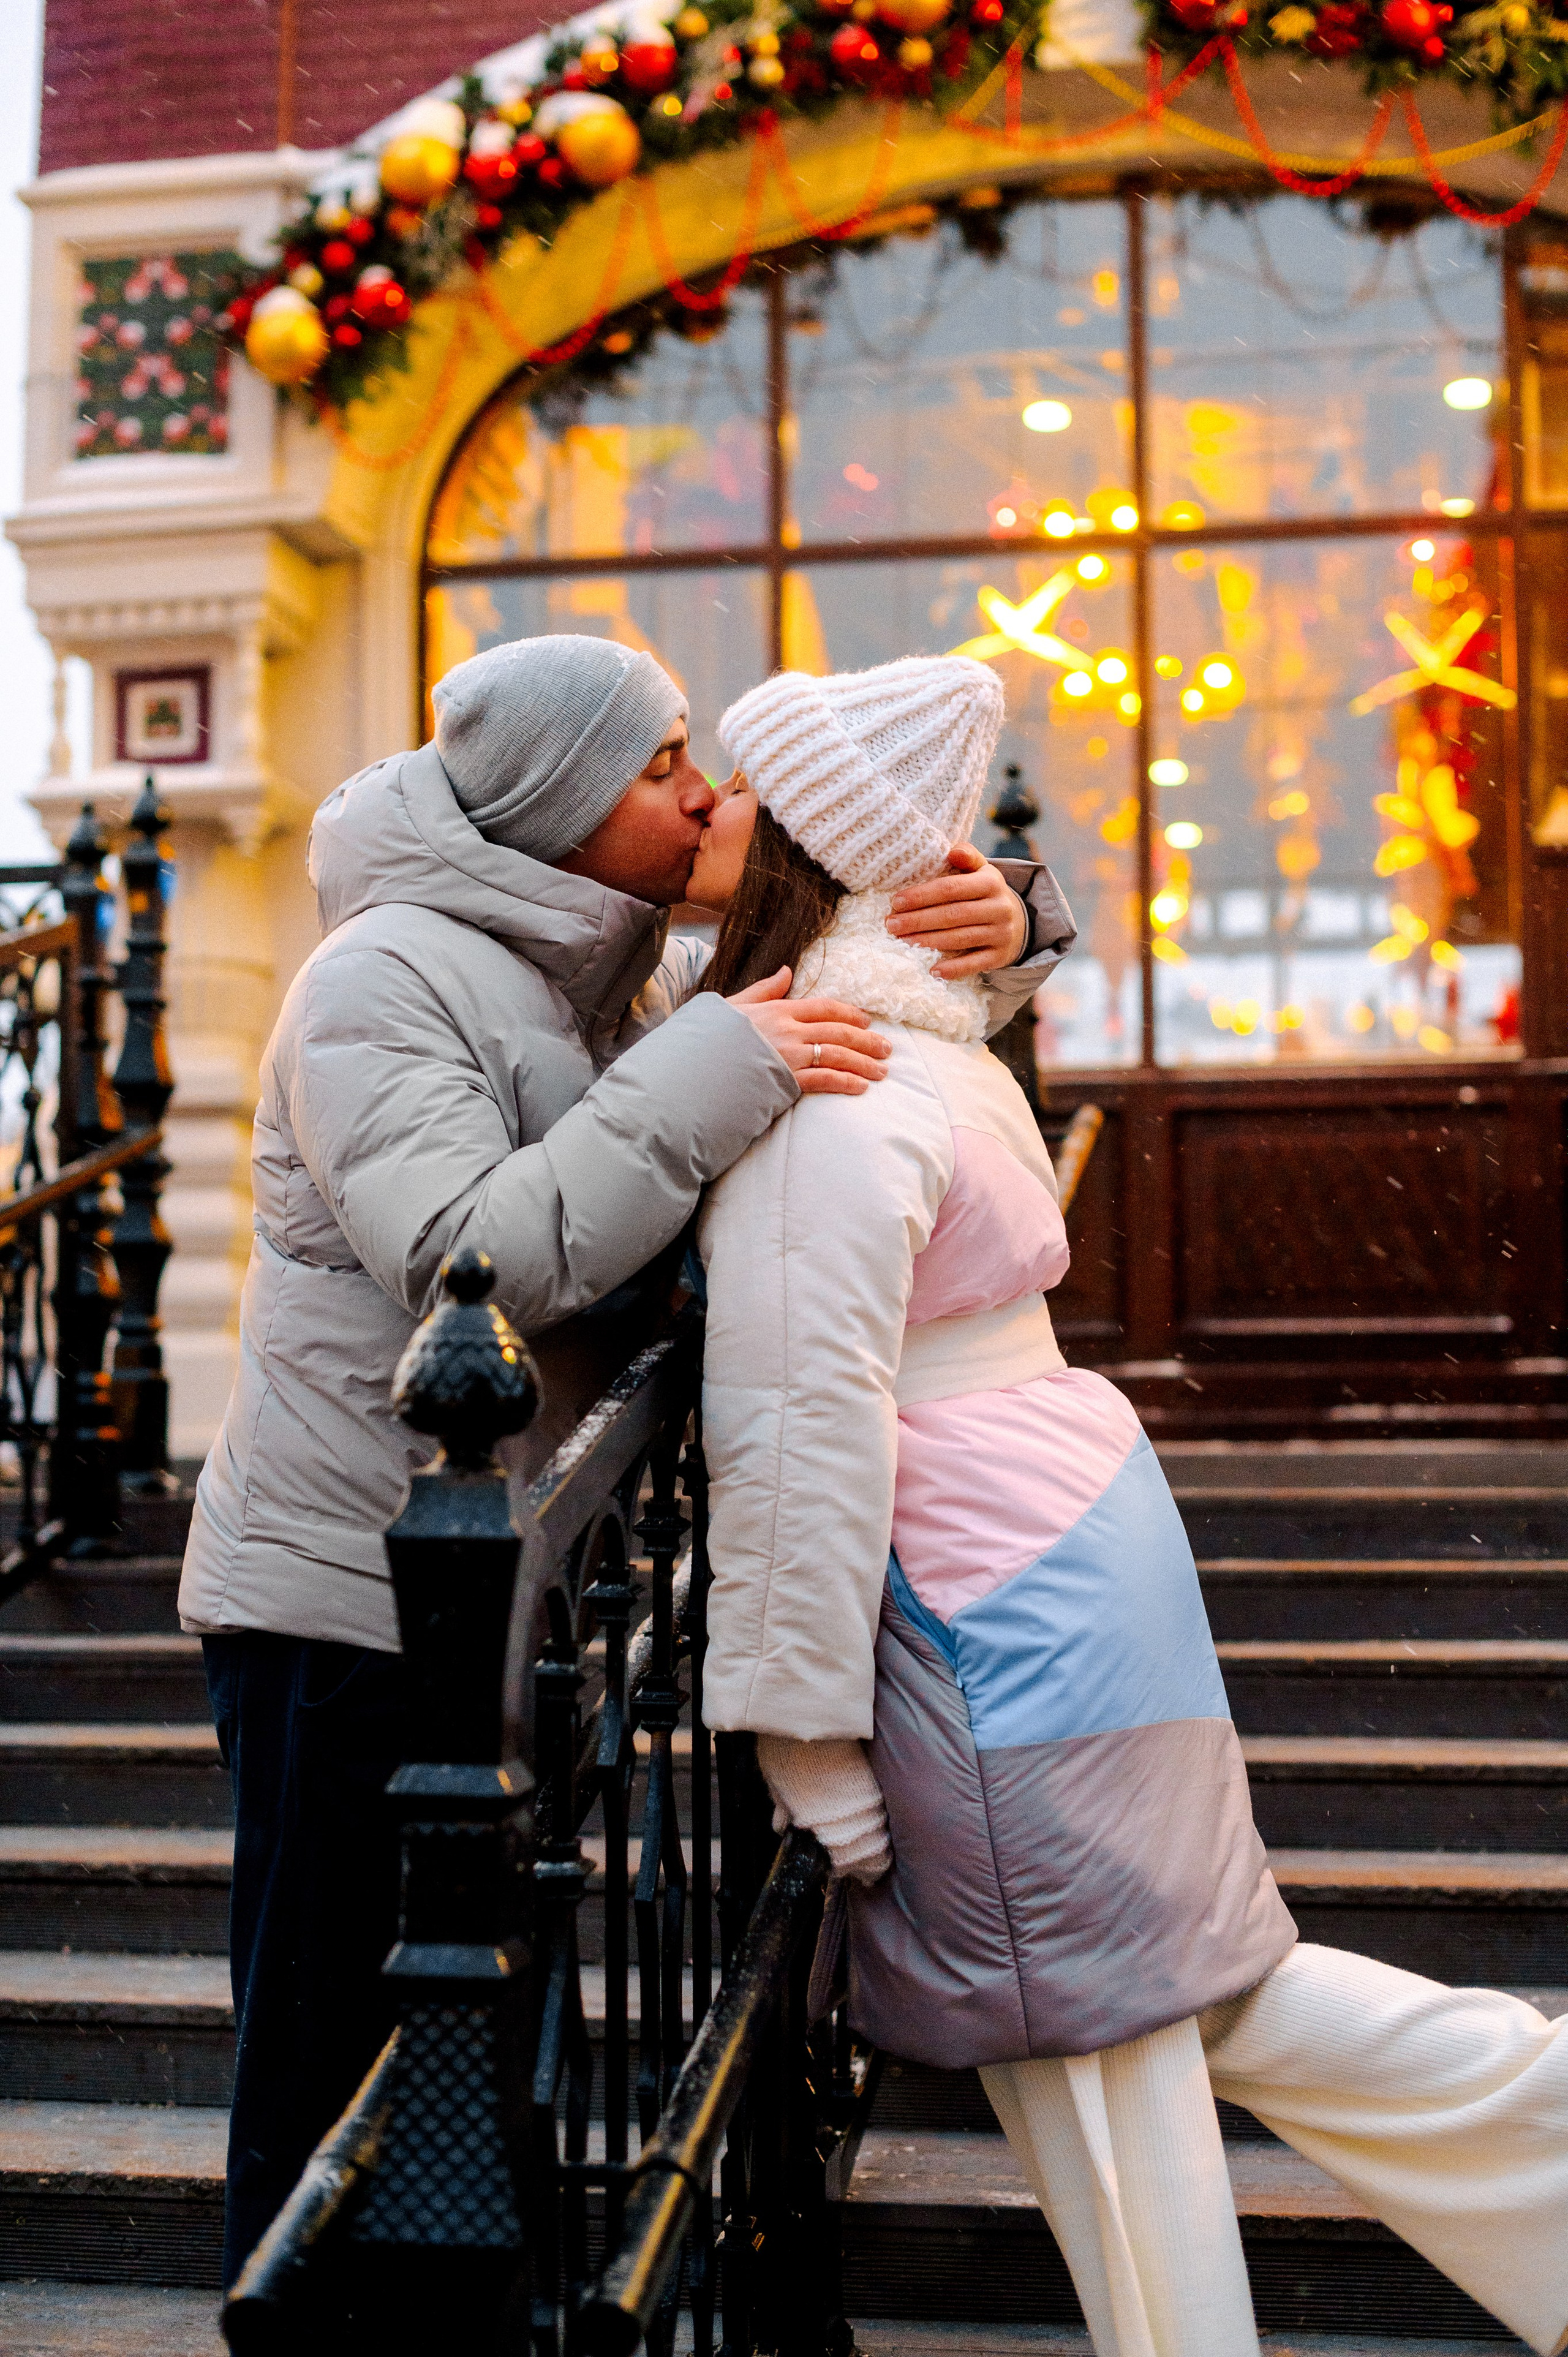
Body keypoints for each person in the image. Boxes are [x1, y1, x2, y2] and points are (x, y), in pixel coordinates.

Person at [687, 652, 1568, 2357]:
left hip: (976, 1593)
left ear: (808, 837)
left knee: (1090, 2042)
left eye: (736, 782)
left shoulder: (838, 1096)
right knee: (1182, 1988)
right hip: (1071, 1541)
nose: (709, 804)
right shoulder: (940, 1053)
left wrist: (801, 1735)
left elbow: (801, 1434)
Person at [180, 632, 1076, 2287]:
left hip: (485, 1594)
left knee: (487, 2039)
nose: (706, 792)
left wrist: (1018, 917)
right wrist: (715, 1066)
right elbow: (470, 1256)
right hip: (347, 1614)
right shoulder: (384, 975)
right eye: (665, 763)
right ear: (560, 801)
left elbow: (837, 968)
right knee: (334, 2063)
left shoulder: (593, 969)